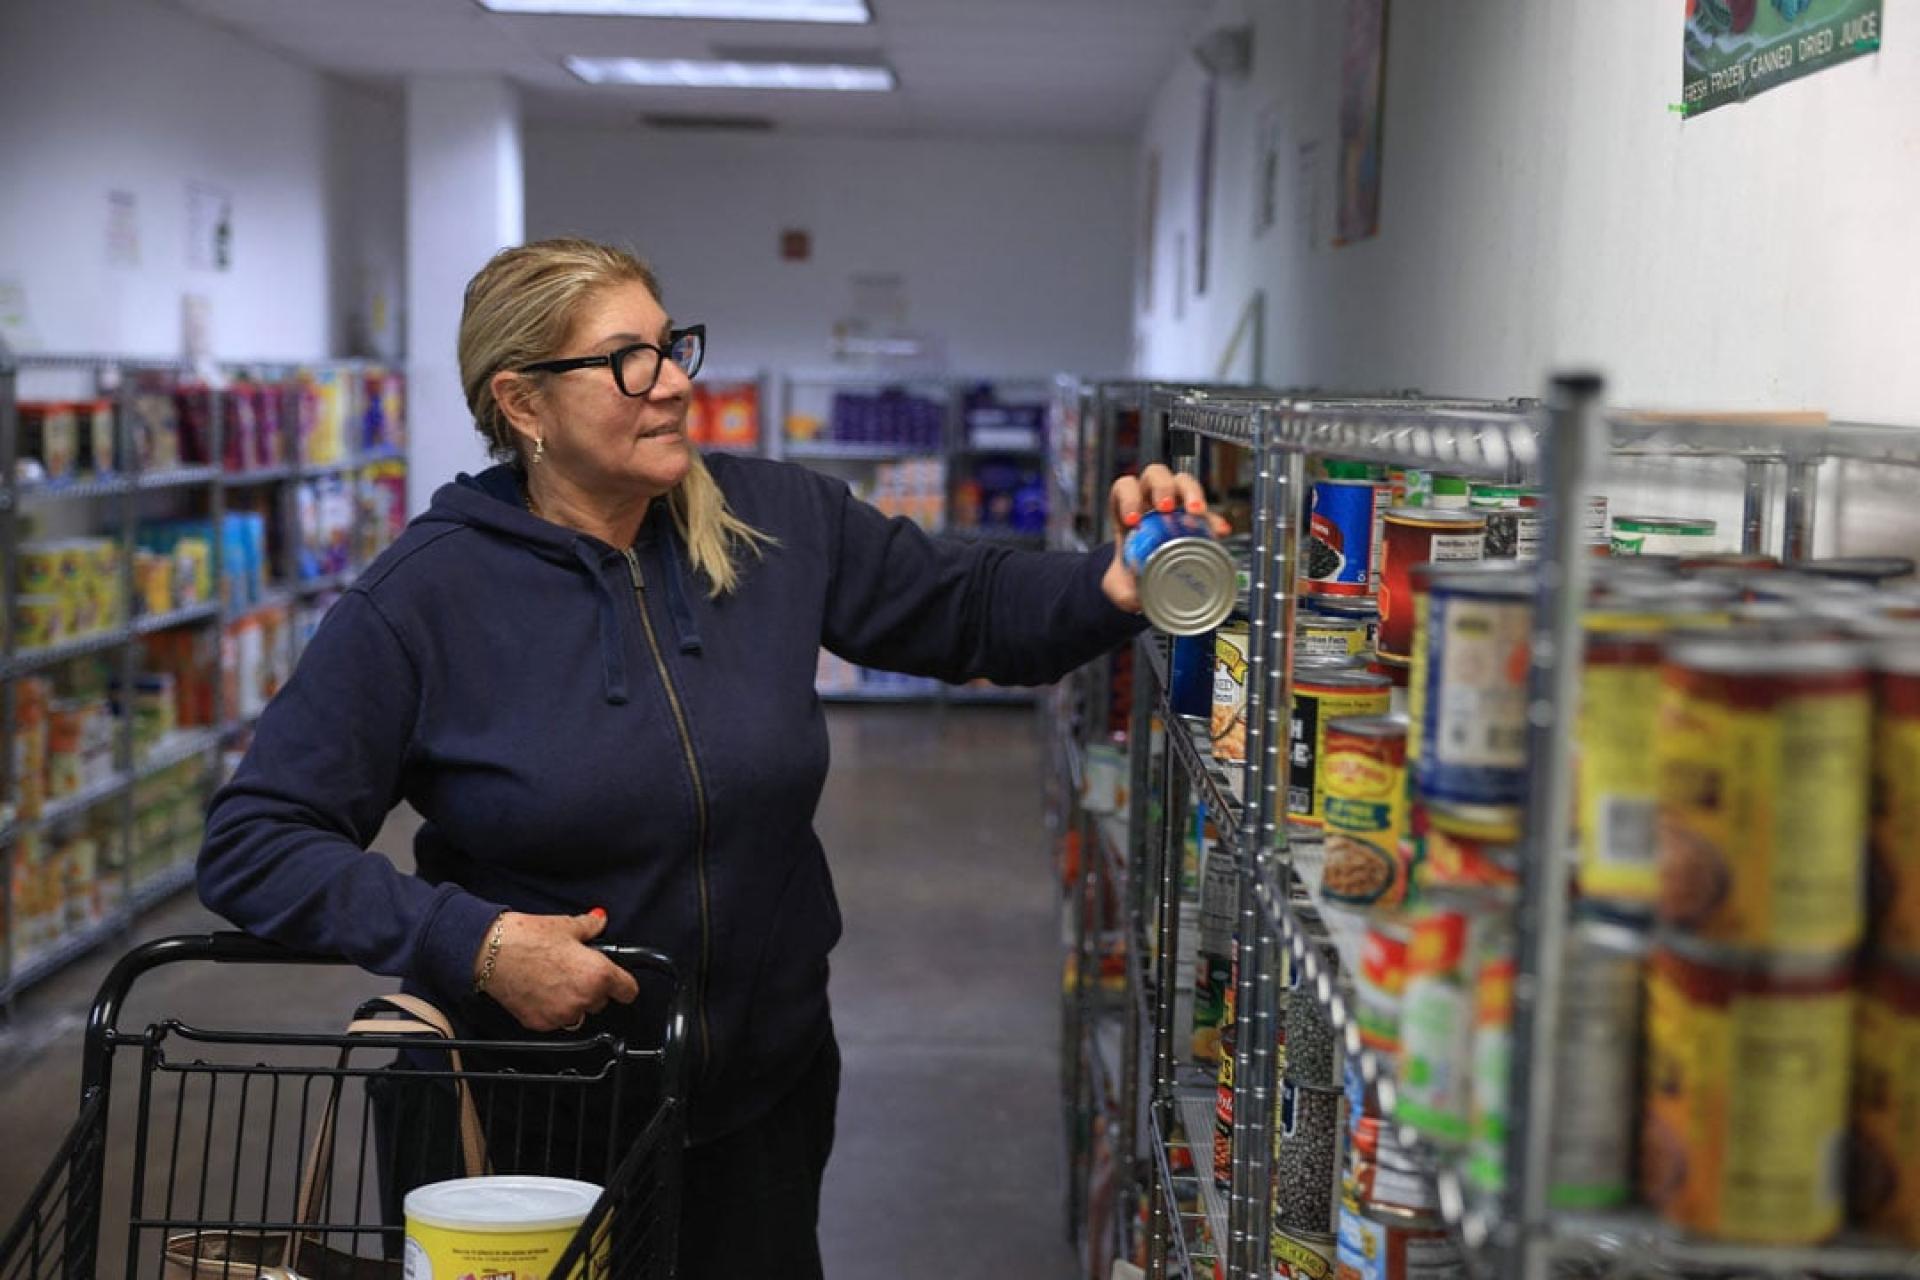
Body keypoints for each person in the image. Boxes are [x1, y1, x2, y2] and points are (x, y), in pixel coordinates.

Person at [197, 237, 1215, 1278]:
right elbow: (255, 841)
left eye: (672, 344)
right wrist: (480, 941)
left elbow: (969, 606)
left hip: (763, 1095)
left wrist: (1111, 585)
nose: (676, 381)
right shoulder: (424, 598)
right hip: (527, 1122)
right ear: (523, 402)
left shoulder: (774, 519)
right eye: (628, 359)